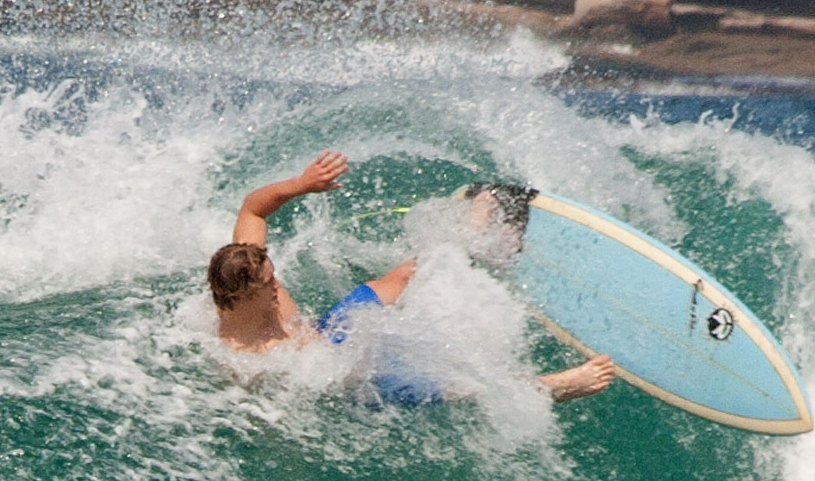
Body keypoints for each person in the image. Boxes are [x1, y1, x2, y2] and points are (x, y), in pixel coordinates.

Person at [207, 151, 614, 402]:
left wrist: (301, 184)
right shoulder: (246, 357)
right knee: (456, 387)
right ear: (238, 297)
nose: (277, 287)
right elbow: (294, 394)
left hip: (329, 332)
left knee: (408, 272)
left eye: (273, 275)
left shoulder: (248, 265)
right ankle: (556, 388)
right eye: (268, 286)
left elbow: (253, 209)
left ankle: (471, 239)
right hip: (346, 377)